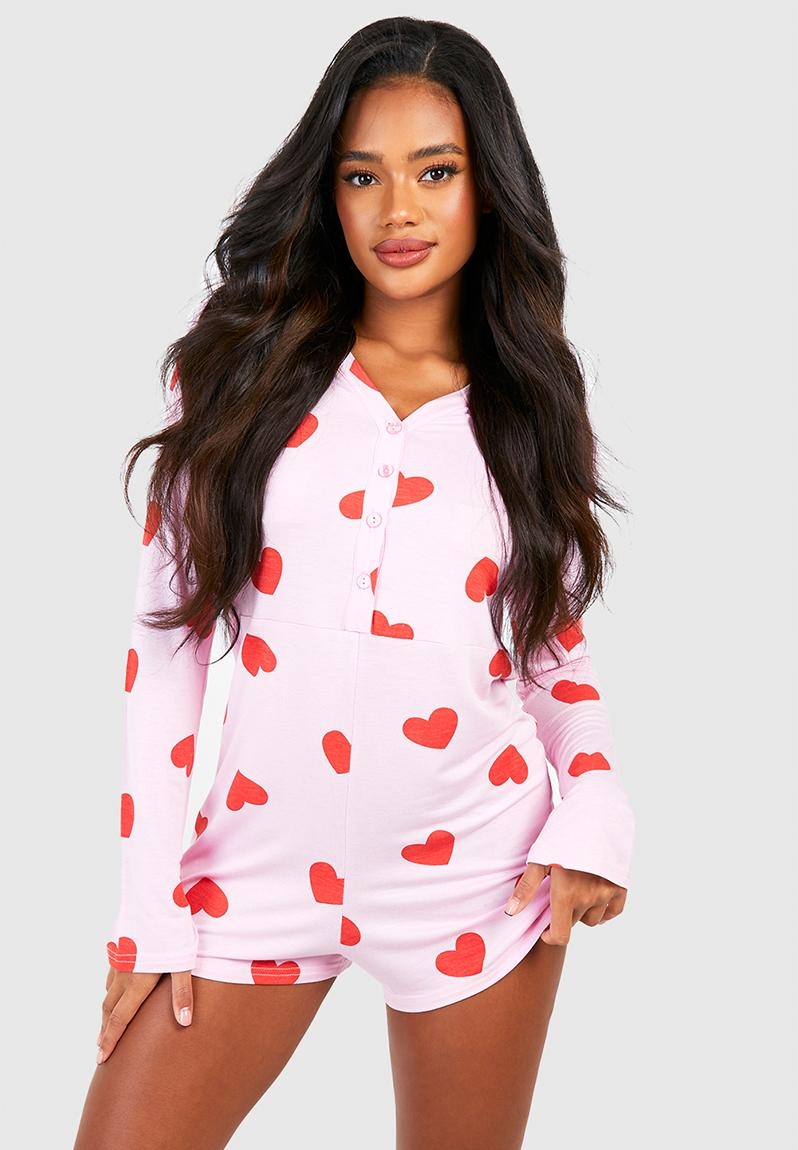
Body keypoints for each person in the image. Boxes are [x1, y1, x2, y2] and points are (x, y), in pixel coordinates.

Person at [75, 16, 636, 1149]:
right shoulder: (236, 374)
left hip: (482, 877)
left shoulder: (531, 407)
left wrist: (598, 810)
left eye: (437, 171)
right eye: (363, 175)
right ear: (326, 193)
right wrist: (150, 913)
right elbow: (167, 651)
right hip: (256, 872)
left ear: (489, 189)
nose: (399, 212)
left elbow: (548, 652)